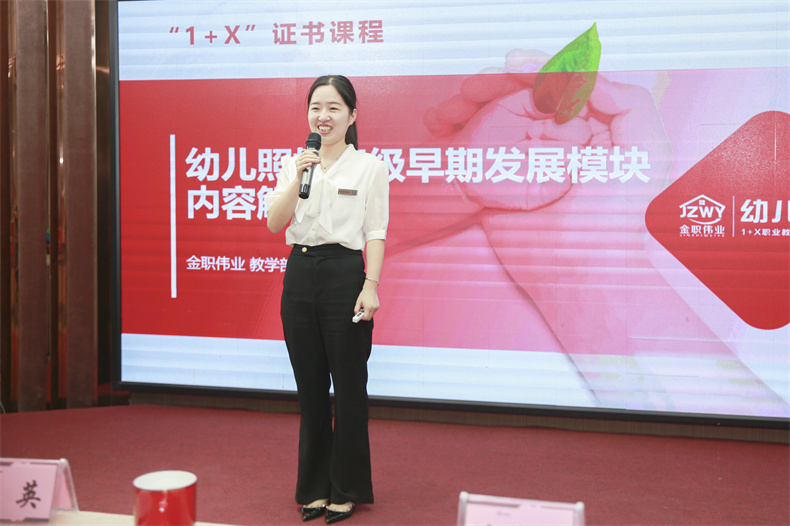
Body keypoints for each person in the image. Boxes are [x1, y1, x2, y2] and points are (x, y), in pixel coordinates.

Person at [264, 75, 389, 524]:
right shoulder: (295, 163)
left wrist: (370, 285)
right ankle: (314, 487)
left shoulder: (370, 167)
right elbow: (274, 223)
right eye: (316, 107)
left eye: (334, 107)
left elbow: (375, 231)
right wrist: (298, 176)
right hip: (299, 275)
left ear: (352, 115)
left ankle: (346, 487)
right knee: (311, 390)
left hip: (345, 275)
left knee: (350, 388)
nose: (324, 116)